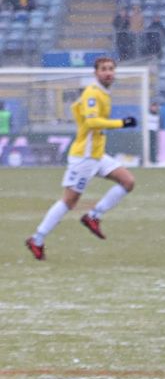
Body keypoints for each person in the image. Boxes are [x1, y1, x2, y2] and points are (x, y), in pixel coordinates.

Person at [25, 57, 137, 261]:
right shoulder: (92, 93)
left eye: (111, 69)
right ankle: (37, 239)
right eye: (104, 69)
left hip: (97, 154)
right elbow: (92, 121)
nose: (108, 72)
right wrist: (121, 123)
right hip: (85, 156)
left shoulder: (102, 93)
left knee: (128, 181)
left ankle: (94, 216)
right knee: (69, 201)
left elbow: (77, 109)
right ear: (96, 73)